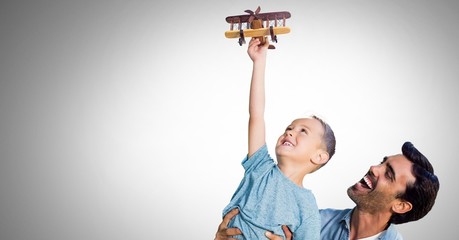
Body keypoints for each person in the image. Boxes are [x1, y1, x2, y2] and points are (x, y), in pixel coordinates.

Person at [220, 37, 336, 240]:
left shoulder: (307, 208)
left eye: (303, 131)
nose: (290, 132)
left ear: (319, 156)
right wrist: (259, 62)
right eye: (289, 128)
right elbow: (256, 115)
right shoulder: (260, 167)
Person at [215, 141, 440, 240]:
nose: (374, 168)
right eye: (382, 161)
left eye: (388, 173)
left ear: (400, 205)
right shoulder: (313, 220)